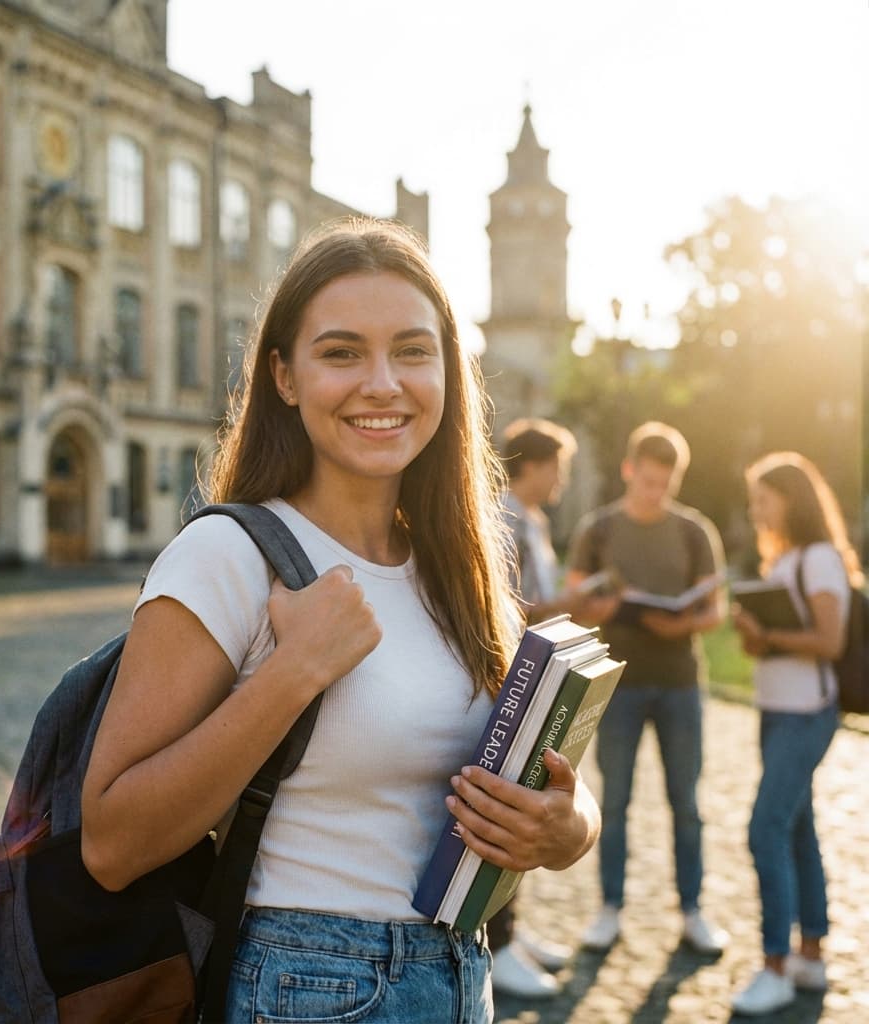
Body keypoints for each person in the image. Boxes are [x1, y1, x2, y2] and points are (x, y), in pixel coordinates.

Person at [80, 217, 601, 1024]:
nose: (383, 383)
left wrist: (566, 828)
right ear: (284, 376)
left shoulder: (457, 566)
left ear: (449, 371)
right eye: (342, 352)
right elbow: (111, 843)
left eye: (413, 350)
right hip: (303, 989)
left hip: (460, 978)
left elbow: (548, 788)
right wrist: (291, 675)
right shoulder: (228, 554)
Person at [564, 421, 729, 955]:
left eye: (666, 483)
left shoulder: (695, 530)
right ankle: (609, 909)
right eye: (648, 480)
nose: (656, 492)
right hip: (619, 684)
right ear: (629, 470)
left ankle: (693, 911)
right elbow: (573, 602)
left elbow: (715, 608)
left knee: (686, 801)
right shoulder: (599, 529)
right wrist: (604, 609)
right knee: (616, 799)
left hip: (680, 681)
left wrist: (679, 624)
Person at [489, 418, 619, 998]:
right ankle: (497, 941)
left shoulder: (533, 521)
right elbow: (507, 605)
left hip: (540, 678)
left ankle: (513, 933)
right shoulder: (502, 517)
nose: (562, 479)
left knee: (535, 808)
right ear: (533, 466)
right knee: (511, 809)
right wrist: (570, 603)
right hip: (510, 683)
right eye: (557, 466)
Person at [729, 452, 859, 1016]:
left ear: (792, 499)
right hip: (775, 710)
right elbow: (779, 640)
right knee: (799, 832)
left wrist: (770, 637)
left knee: (766, 830)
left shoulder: (821, 558)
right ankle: (811, 956)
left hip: (807, 713)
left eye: (764, 498)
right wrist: (755, 637)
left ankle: (776, 965)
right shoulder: (784, 559)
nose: (757, 510)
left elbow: (829, 642)